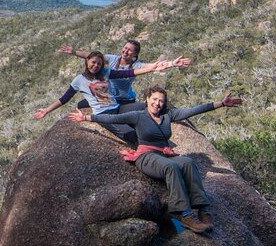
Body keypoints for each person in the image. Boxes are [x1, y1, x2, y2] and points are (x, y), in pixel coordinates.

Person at [68, 86, 243, 233]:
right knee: (171, 168)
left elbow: (192, 110)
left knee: (188, 163)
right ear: (147, 99)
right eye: (154, 99)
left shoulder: (168, 116)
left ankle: (202, 208)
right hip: (146, 157)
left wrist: (220, 104)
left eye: (161, 100)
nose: (157, 103)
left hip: (163, 154)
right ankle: (184, 214)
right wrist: (87, 117)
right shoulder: (138, 116)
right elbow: (113, 118)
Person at [33, 51, 187, 145]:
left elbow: (129, 73)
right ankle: (153, 148)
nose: (96, 66)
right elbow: (64, 98)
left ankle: (162, 127)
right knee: (130, 134)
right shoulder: (79, 80)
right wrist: (47, 110)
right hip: (103, 115)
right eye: (93, 62)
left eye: (99, 63)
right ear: (87, 62)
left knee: (144, 107)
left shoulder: (106, 73)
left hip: (119, 108)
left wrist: (161, 66)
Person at [60, 40, 191, 106]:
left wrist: (172, 63)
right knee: (81, 105)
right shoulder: (112, 59)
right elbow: (93, 56)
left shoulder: (136, 66)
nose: (125, 51)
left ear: (135, 54)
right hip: (109, 98)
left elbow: (155, 66)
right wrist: (74, 52)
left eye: (130, 50)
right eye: (125, 48)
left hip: (124, 100)